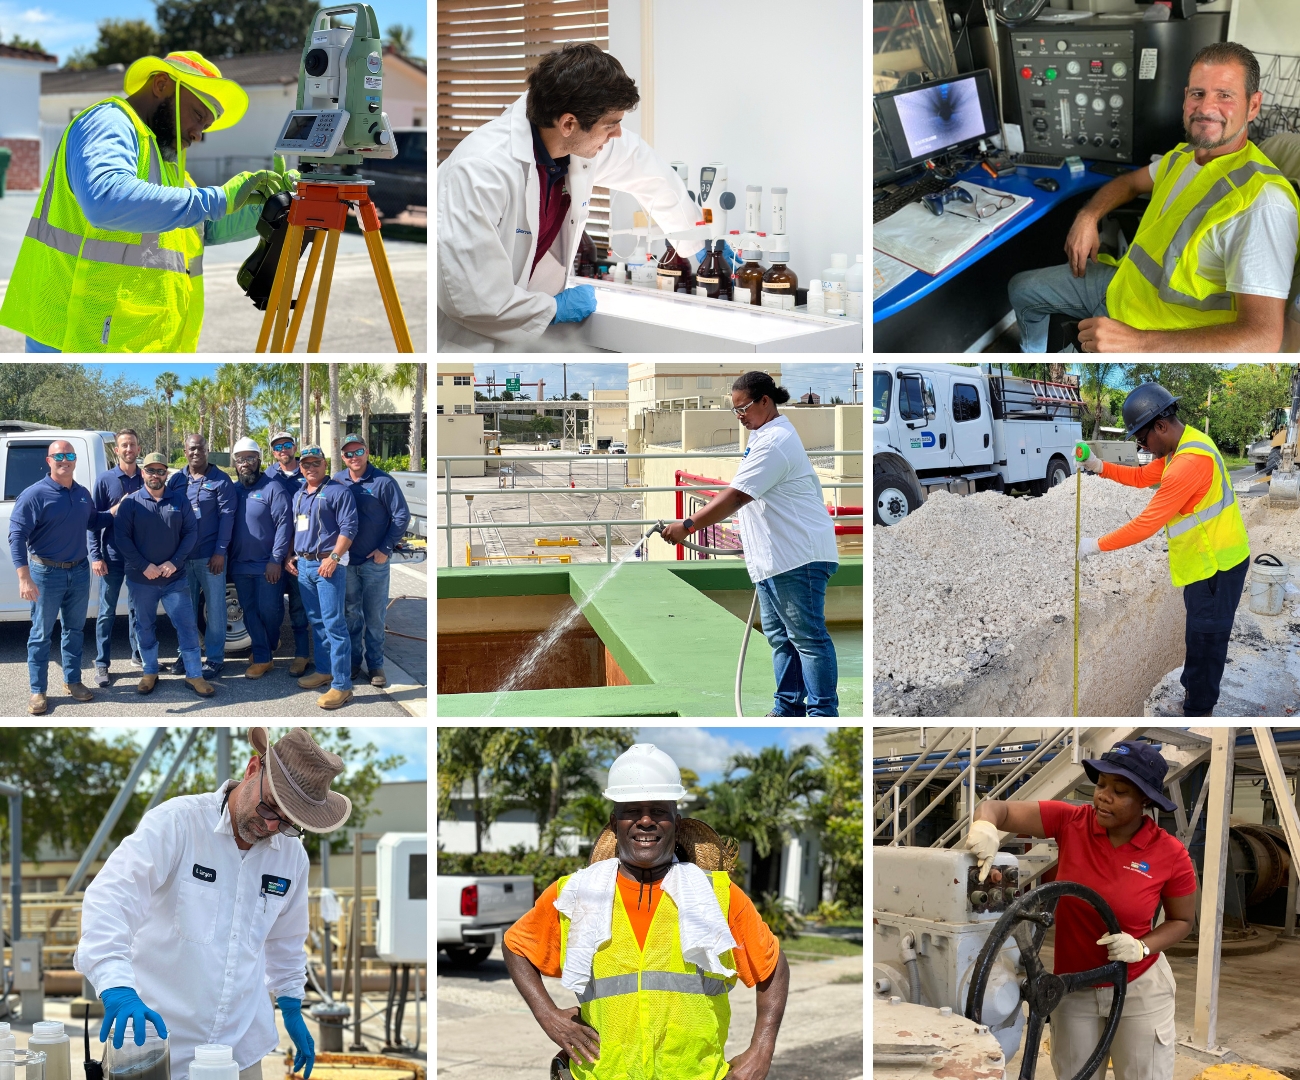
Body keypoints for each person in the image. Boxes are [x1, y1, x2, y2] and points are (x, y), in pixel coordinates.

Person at [73, 726, 346, 1080]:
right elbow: (111, 899)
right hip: (157, 1045)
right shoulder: (177, 824)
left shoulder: (291, 857)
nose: (270, 824)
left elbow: (285, 938)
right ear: (252, 770)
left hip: (242, 1047)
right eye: (269, 807)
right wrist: (117, 985)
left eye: (288, 823)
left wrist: (292, 1000)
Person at [503, 744, 788, 1080]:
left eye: (659, 810)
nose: (646, 821)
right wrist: (548, 1016)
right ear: (615, 821)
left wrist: (762, 1047)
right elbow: (515, 946)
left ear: (675, 821)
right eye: (632, 810)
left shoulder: (717, 895)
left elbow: (773, 967)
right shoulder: (577, 893)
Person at [1007, 42, 1299, 353]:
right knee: (1021, 289)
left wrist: (1139, 343)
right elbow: (1130, 184)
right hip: (1122, 286)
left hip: (1161, 335)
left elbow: (1262, 337)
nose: (1206, 108)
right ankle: (1037, 354)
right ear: (1186, 97)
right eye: (1198, 94)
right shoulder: (1183, 156)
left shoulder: (1264, 203)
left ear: (1253, 105)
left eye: (1224, 95)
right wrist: (1088, 216)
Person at [0, 52, 297, 353]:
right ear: (161, 84)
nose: (197, 135)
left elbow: (204, 228)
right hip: (76, 340)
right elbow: (105, 199)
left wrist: (275, 205)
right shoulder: (109, 122)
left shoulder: (166, 163)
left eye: (204, 127)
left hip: (127, 343)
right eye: (197, 116)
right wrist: (218, 198)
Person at [438, 43, 721, 351]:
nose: (617, 136)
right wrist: (554, 309)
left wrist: (694, 241)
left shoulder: (573, 143)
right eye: (610, 125)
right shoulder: (480, 171)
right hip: (471, 339)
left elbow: (647, 170)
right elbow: (472, 296)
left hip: (527, 326)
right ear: (569, 123)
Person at [962, 740, 1195, 1080]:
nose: (1103, 796)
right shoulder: (1073, 822)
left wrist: (1143, 946)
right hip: (1073, 988)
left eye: (1120, 790)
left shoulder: (1169, 853)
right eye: (1100, 785)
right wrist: (985, 826)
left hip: (1138, 985)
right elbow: (999, 809)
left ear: (1145, 799)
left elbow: (1182, 921)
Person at [659, 372, 840, 717]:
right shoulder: (764, 437)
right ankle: (787, 709)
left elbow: (737, 496)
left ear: (765, 401)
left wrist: (687, 525)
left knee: (808, 639)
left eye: (742, 409)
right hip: (775, 559)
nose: (739, 416)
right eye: (735, 411)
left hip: (796, 557)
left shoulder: (774, 442)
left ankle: (822, 715)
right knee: (781, 639)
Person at [1075, 383, 1250, 716]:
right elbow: (1142, 477)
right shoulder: (1181, 447)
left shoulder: (1188, 465)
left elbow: (1146, 524)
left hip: (1217, 568)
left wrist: (1094, 545)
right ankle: (1192, 695)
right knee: (1198, 640)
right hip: (1205, 565)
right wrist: (1099, 466)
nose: (1142, 446)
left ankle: (1199, 712)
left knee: (1206, 646)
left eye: (1142, 439)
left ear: (1161, 425)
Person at [9, 439, 119, 715]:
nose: (65, 460)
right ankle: (38, 690)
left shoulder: (81, 493)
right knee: (41, 634)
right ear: (49, 461)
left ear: (75, 460)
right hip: (45, 573)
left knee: (74, 630)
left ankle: (73, 681)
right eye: (59, 456)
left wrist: (115, 512)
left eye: (70, 455)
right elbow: (16, 536)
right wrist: (24, 578)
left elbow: (93, 521)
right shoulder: (34, 494)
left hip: (79, 571)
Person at [114, 452, 213, 698]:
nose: (155, 475)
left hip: (174, 579)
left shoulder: (179, 501)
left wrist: (174, 561)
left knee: (187, 626)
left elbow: (191, 533)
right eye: (150, 471)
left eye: (160, 471)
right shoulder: (131, 503)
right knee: (144, 626)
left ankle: (194, 675)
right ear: (142, 472)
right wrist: (144, 565)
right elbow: (122, 539)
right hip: (141, 579)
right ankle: (149, 672)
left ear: (166, 474)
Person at [332, 434, 410, 688]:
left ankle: (375, 664)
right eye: (348, 454)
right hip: (346, 563)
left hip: (374, 562)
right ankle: (354, 662)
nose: (353, 457)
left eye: (358, 452)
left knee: (374, 616)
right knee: (351, 614)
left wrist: (384, 548)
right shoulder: (337, 481)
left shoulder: (383, 481)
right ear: (342, 457)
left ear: (367, 453)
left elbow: (401, 516)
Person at [286, 446, 358, 710]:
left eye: (315, 463)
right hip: (304, 565)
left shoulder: (338, 491)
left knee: (334, 624)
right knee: (316, 621)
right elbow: (297, 527)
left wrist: (334, 558)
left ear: (324, 464)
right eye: (305, 464)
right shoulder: (299, 495)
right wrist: (291, 556)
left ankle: (342, 686)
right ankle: (325, 671)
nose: (309, 468)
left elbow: (349, 527)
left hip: (328, 565)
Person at [165, 433, 235, 678]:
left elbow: (227, 518)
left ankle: (215, 658)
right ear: (185, 451)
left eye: (200, 448)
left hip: (209, 558)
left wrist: (220, 552)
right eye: (191, 449)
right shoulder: (176, 480)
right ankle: (187, 654)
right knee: (185, 609)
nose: (195, 453)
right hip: (182, 558)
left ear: (207, 450)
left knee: (215, 609)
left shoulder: (221, 480)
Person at [229, 438, 293, 679]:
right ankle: (264, 657)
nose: (245, 463)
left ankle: (267, 645)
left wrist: (276, 560)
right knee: (250, 610)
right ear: (235, 463)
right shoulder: (233, 490)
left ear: (259, 460)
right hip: (239, 565)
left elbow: (284, 525)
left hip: (267, 564)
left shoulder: (273, 488)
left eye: (250, 458)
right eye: (240, 459)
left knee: (270, 610)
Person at [90, 429, 146, 686]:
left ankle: (139, 655)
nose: (128, 449)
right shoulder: (106, 480)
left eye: (132, 445)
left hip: (140, 558)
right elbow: (93, 521)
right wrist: (96, 556)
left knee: (137, 609)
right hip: (111, 557)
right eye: (123, 445)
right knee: (106, 612)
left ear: (138, 448)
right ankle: (102, 663)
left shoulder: (147, 478)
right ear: (117, 450)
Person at [265, 430, 311, 675]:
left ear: (295, 446)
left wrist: (291, 552)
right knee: (272, 607)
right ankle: (269, 647)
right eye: (278, 446)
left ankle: (302, 655)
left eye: (287, 444)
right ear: (273, 452)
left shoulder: (307, 473)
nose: (283, 449)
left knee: (298, 606)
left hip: (297, 554)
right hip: (274, 553)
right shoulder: (268, 475)